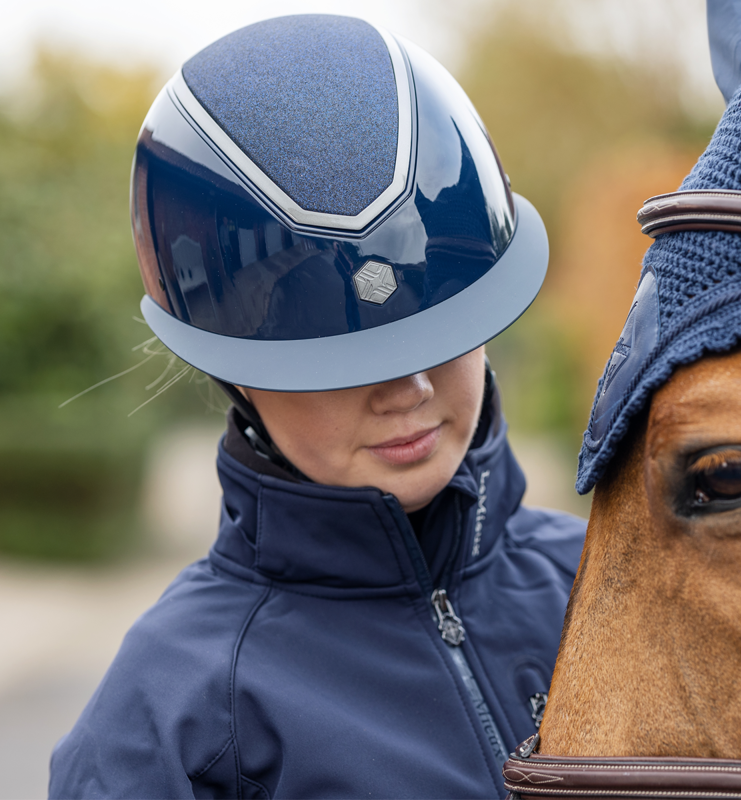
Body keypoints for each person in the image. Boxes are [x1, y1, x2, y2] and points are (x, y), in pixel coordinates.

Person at [49, 14, 585, 799]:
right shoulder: (166, 724)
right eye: (341, 365)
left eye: (444, 334)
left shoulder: (607, 581)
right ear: (237, 375)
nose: (410, 391)